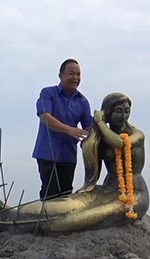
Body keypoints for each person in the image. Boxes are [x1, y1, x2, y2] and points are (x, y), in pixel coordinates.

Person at [32, 58, 93, 200]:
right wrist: (70, 130)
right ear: (61, 76)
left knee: (65, 196)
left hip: (68, 156)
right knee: (50, 194)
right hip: (48, 154)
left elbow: (89, 128)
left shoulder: (83, 101)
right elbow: (45, 118)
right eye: (72, 74)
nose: (75, 78)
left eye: (78, 74)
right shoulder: (48, 93)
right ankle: (44, 222)